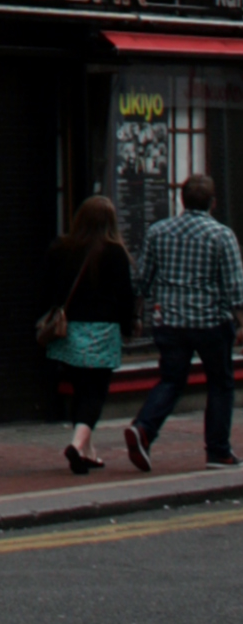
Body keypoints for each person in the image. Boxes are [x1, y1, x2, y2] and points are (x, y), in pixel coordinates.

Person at [123, 173, 243, 471]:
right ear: (213, 202)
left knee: (171, 380)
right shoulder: (221, 235)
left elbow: (142, 280)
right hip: (210, 322)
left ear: (182, 199)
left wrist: (137, 315)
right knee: (220, 384)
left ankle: (144, 428)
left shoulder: (158, 231)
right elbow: (234, 288)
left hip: (170, 322)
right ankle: (218, 451)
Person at [40, 194, 136, 471]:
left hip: (69, 330)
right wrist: (129, 327)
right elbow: (124, 296)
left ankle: (87, 453)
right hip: (102, 330)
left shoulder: (61, 248)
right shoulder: (114, 252)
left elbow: (45, 289)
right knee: (96, 392)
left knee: (80, 389)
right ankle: (77, 443)